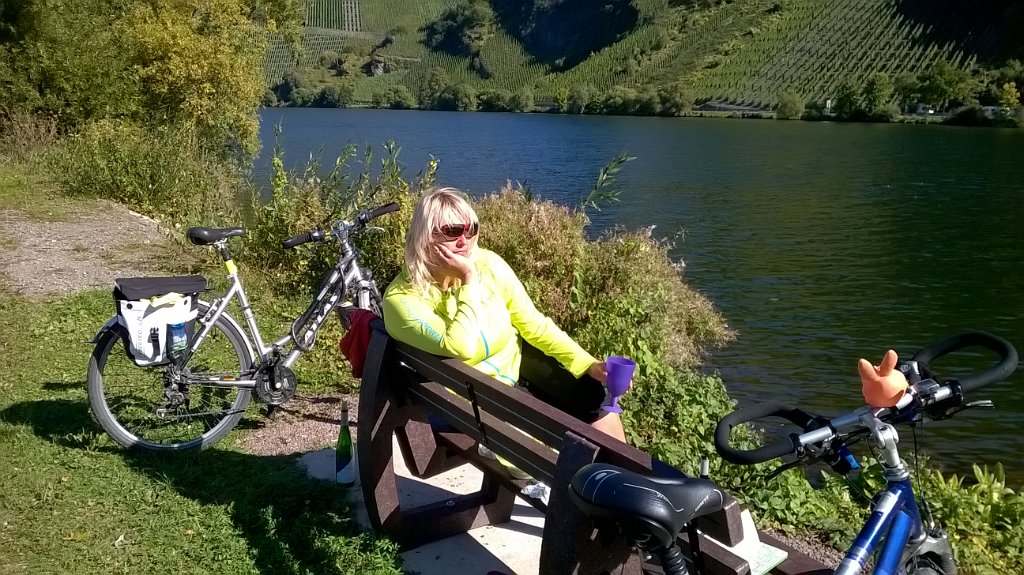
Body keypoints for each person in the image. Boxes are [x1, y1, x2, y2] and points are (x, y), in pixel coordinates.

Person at [382, 187, 628, 443]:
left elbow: (534, 324)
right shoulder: (402, 300)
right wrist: (468, 280)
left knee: (595, 400)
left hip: (514, 379)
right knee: (560, 444)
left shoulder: (489, 264)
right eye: (452, 231)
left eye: (471, 229)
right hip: (475, 404)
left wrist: (588, 364)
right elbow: (460, 347)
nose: (464, 240)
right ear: (424, 237)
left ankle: (626, 469)